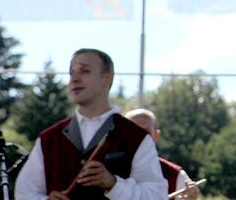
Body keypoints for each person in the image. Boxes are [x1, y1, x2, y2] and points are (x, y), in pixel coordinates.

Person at [15, 49, 167, 199]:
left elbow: (156, 195)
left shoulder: (136, 137)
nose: (74, 78)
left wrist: (114, 184)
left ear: (106, 78)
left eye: (84, 71)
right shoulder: (48, 139)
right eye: (71, 72)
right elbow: (24, 193)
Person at [125, 108, 202, 199]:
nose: (140, 137)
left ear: (156, 135)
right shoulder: (107, 171)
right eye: (133, 131)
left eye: (146, 132)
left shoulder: (175, 175)